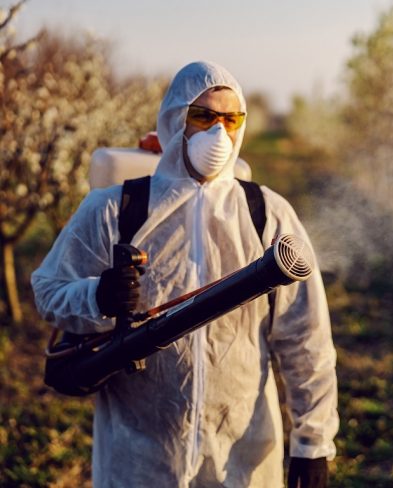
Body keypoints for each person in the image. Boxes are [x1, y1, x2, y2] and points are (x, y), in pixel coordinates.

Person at [31, 61, 339, 488]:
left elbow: (306, 338)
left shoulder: (265, 213)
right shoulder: (114, 209)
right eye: (204, 116)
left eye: (231, 119)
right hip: (139, 457)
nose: (219, 133)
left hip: (241, 458)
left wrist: (313, 442)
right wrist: (97, 297)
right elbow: (48, 292)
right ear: (176, 121)